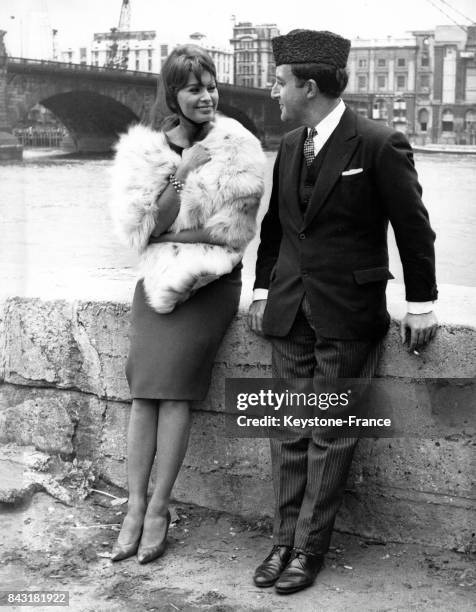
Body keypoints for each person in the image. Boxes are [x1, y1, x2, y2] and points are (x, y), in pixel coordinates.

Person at [248, 29, 438, 595]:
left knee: (330, 433)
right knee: (288, 429)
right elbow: (276, 229)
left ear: (307, 86)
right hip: (289, 312)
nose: (274, 90)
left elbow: (413, 226)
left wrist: (421, 303)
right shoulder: (287, 144)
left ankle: (309, 549)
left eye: (280, 83)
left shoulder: (379, 143)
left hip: (348, 315)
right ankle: (281, 540)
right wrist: (262, 291)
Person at [109, 44, 265, 564]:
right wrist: (184, 173)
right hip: (156, 280)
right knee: (144, 395)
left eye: (211, 85)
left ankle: (158, 508)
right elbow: (141, 230)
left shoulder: (239, 145)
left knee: (174, 394)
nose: (207, 95)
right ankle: (132, 509)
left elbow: (233, 234)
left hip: (209, 283)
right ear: (173, 93)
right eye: (195, 87)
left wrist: (174, 229)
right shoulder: (147, 150)